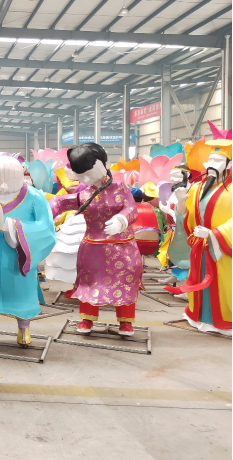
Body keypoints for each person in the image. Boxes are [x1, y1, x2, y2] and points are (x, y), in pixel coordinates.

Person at [49, 144, 143, 336]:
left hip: (122, 247)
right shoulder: (85, 194)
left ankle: (126, 322)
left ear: (102, 163)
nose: (86, 179)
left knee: (125, 282)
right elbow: (61, 202)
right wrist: (49, 211)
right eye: (81, 176)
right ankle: (87, 319)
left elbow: (131, 208)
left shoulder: (121, 188)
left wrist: (121, 220)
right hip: (93, 249)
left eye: (88, 173)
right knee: (89, 283)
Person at [0, 156, 56, 346]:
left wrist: (13, 227)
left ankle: (24, 327)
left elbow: (46, 228)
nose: (3, 185)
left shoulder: (35, 197)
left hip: (18, 257)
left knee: (21, 293)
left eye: (9, 179)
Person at [165, 138, 231, 335]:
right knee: (199, 282)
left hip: (221, 248)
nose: (211, 164)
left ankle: (223, 321)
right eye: (210, 159)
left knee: (223, 285)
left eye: (218, 160)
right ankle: (200, 317)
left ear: (229, 164)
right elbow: (184, 218)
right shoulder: (197, 188)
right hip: (200, 247)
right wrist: (181, 202)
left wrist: (214, 234)